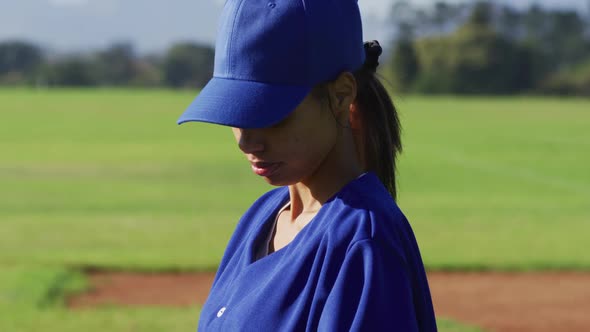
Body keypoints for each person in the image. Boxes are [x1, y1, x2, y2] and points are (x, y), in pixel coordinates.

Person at [178, 0, 437, 330]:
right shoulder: (262, 216)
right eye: (236, 116)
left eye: (271, 116)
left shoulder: (363, 242)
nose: (247, 142)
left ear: (341, 96)